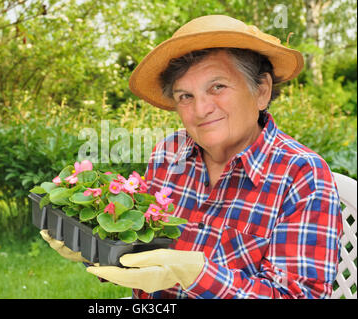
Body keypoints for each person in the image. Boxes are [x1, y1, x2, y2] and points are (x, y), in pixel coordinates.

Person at [41, 15, 343, 299]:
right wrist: (92, 248)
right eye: (185, 96)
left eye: (218, 87)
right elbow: (140, 252)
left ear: (261, 90)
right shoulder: (168, 154)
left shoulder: (302, 174)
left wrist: (196, 274)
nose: (200, 110)